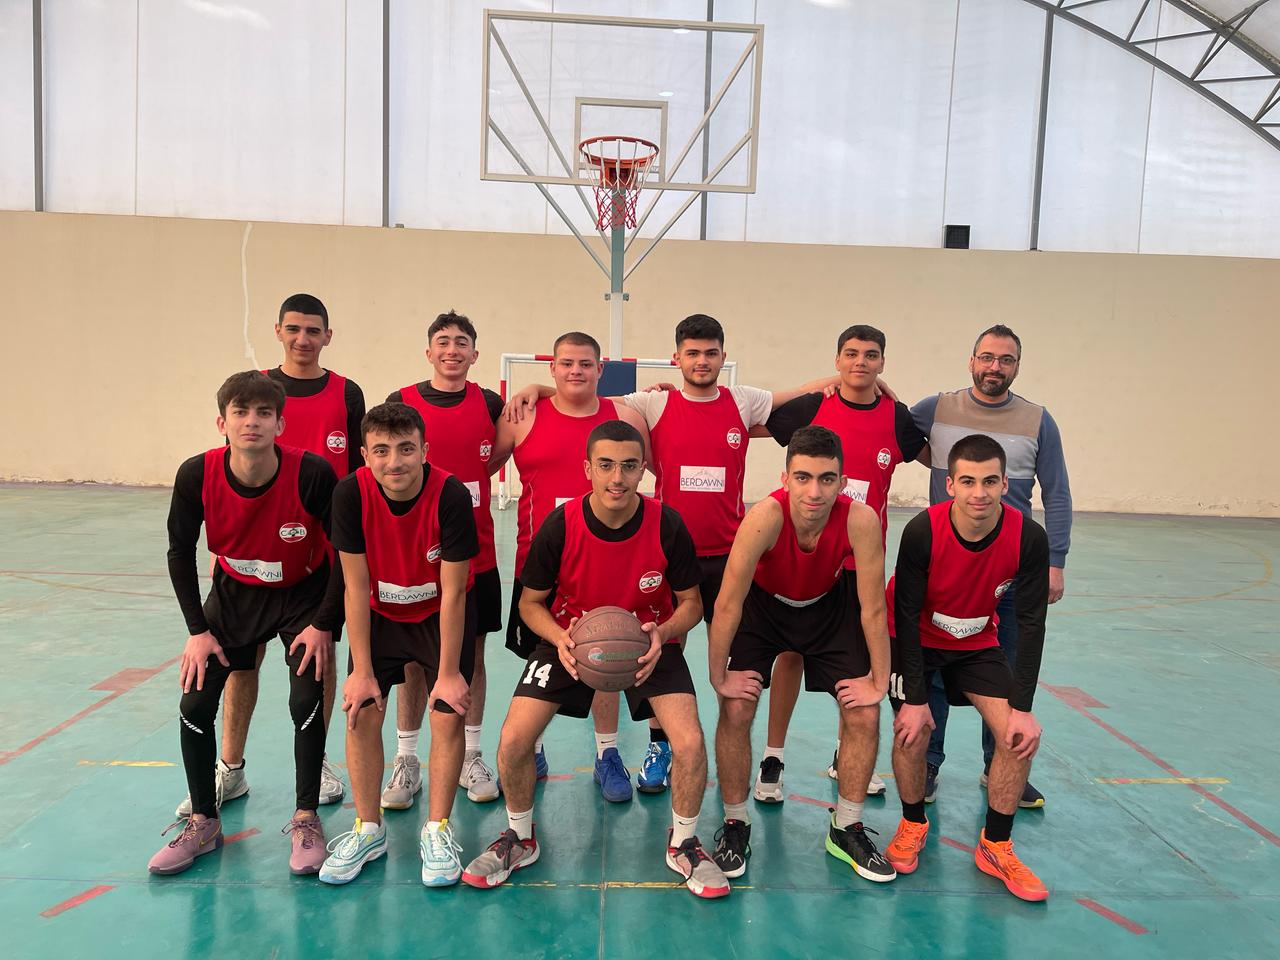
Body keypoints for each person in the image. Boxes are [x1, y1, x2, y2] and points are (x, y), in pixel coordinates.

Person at [505, 312, 834, 794]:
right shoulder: (652, 404)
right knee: (633, 641)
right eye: (692, 353)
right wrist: (539, 387)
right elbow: (582, 392)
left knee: (718, 663)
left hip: (728, 556)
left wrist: (858, 381)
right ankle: (629, 748)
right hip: (658, 552)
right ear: (676, 358)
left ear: (723, 357)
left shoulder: (742, 400)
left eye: (711, 353)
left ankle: (719, 751)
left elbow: (799, 393)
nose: (702, 361)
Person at [462, 421, 728, 898]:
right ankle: (520, 837)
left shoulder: (667, 524)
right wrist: (560, 637)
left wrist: (664, 632)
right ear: (587, 469)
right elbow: (529, 604)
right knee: (515, 739)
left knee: (689, 742)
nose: (617, 477)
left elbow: (692, 603)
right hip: (568, 641)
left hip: (648, 642)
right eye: (605, 465)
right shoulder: (560, 525)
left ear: (644, 470)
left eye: (629, 466)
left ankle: (684, 844)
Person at [174, 293, 363, 818]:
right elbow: (185, 539)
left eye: (313, 330)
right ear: (278, 331)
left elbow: (357, 470)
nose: (303, 339)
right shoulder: (252, 387)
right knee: (239, 666)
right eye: (294, 329)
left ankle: (315, 763)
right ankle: (230, 767)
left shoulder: (346, 394)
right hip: (247, 565)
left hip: (311, 560)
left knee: (315, 664)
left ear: (327, 336)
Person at [151, 371, 342, 877]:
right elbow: (178, 551)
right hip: (234, 596)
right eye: (240, 412)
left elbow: (347, 553)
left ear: (280, 424)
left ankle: (306, 817)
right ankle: (204, 822)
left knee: (305, 698)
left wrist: (324, 623)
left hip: (303, 594)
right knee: (194, 703)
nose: (251, 422)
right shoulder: (197, 474)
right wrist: (198, 631)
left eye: (263, 413)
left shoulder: (312, 474)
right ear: (222, 422)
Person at [709, 426, 896, 884]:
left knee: (865, 714)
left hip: (828, 608)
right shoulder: (764, 518)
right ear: (785, 478)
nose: (815, 492)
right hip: (764, 609)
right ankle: (735, 823)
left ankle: (846, 827)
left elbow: (873, 608)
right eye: (803, 478)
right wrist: (718, 677)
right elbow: (728, 603)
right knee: (736, 707)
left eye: (827, 479)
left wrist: (879, 680)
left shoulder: (860, 520)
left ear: (842, 481)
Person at [758, 324, 928, 802]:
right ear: (837, 360)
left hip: (861, 564)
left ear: (882, 363)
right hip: (807, 557)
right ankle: (773, 756)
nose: (860, 362)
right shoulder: (815, 406)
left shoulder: (896, 418)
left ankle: (843, 754)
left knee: (854, 665)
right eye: (851, 354)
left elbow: (937, 455)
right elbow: (747, 422)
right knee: (790, 655)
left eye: (870, 355)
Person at [884, 433, 1050, 901]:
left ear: (1005, 484)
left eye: (990, 481)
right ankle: (912, 823)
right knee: (913, 731)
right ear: (950, 484)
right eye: (969, 481)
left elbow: (1031, 623)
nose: (980, 492)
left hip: (977, 643)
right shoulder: (923, 530)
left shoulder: (1028, 537)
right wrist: (915, 699)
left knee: (1017, 737)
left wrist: (1023, 708)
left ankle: (995, 845)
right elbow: (905, 614)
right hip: (915, 639)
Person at [910, 324, 1070, 808]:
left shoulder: (1038, 420)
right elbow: (888, 426)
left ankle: (999, 762)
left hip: (1013, 571)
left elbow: (1056, 493)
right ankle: (929, 763)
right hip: (949, 569)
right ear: (971, 361)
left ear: (1016, 366)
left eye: (1005, 359)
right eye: (986, 357)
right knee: (934, 669)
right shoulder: (936, 409)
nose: (994, 367)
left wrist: (1055, 561)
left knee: (1008, 667)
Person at [319, 402, 479, 885]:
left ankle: (438, 829)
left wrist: (447, 674)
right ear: (365, 454)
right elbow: (354, 587)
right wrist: (361, 671)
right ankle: (369, 829)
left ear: (425, 450)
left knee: (448, 711)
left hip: (437, 614)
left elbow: (454, 592)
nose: (395, 462)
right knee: (361, 708)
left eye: (407, 449)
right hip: (380, 615)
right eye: (382, 451)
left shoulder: (450, 494)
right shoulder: (350, 493)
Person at [490, 331, 651, 803]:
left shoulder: (624, 416)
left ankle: (607, 753)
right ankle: (534, 750)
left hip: (606, 564)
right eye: (566, 363)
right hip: (537, 566)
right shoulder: (523, 416)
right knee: (538, 662)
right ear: (552, 369)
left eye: (585, 363)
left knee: (608, 654)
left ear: (601, 369)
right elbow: (478, 468)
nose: (575, 371)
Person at [383, 310, 507, 808]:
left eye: (461, 342)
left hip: (476, 554)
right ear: (428, 351)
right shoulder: (401, 401)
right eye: (443, 341)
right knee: (415, 662)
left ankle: (471, 754)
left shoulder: (491, 403)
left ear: (475, 354)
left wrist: (538, 388)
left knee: (470, 656)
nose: (452, 349)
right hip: (414, 558)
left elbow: (507, 444)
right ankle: (406, 758)